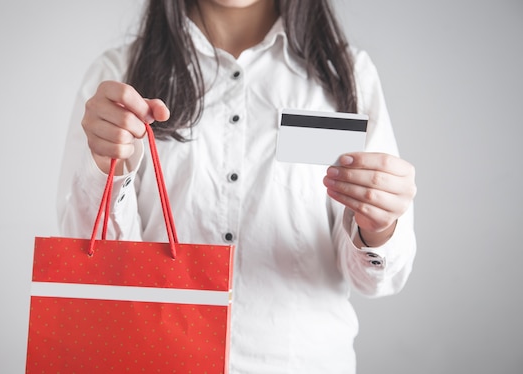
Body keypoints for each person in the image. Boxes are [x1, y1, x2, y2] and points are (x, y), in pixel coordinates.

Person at [57, 0, 417, 372]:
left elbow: (377, 279)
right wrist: (104, 166)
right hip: (155, 359)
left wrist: (378, 226)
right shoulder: (118, 75)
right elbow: (92, 260)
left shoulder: (345, 74)